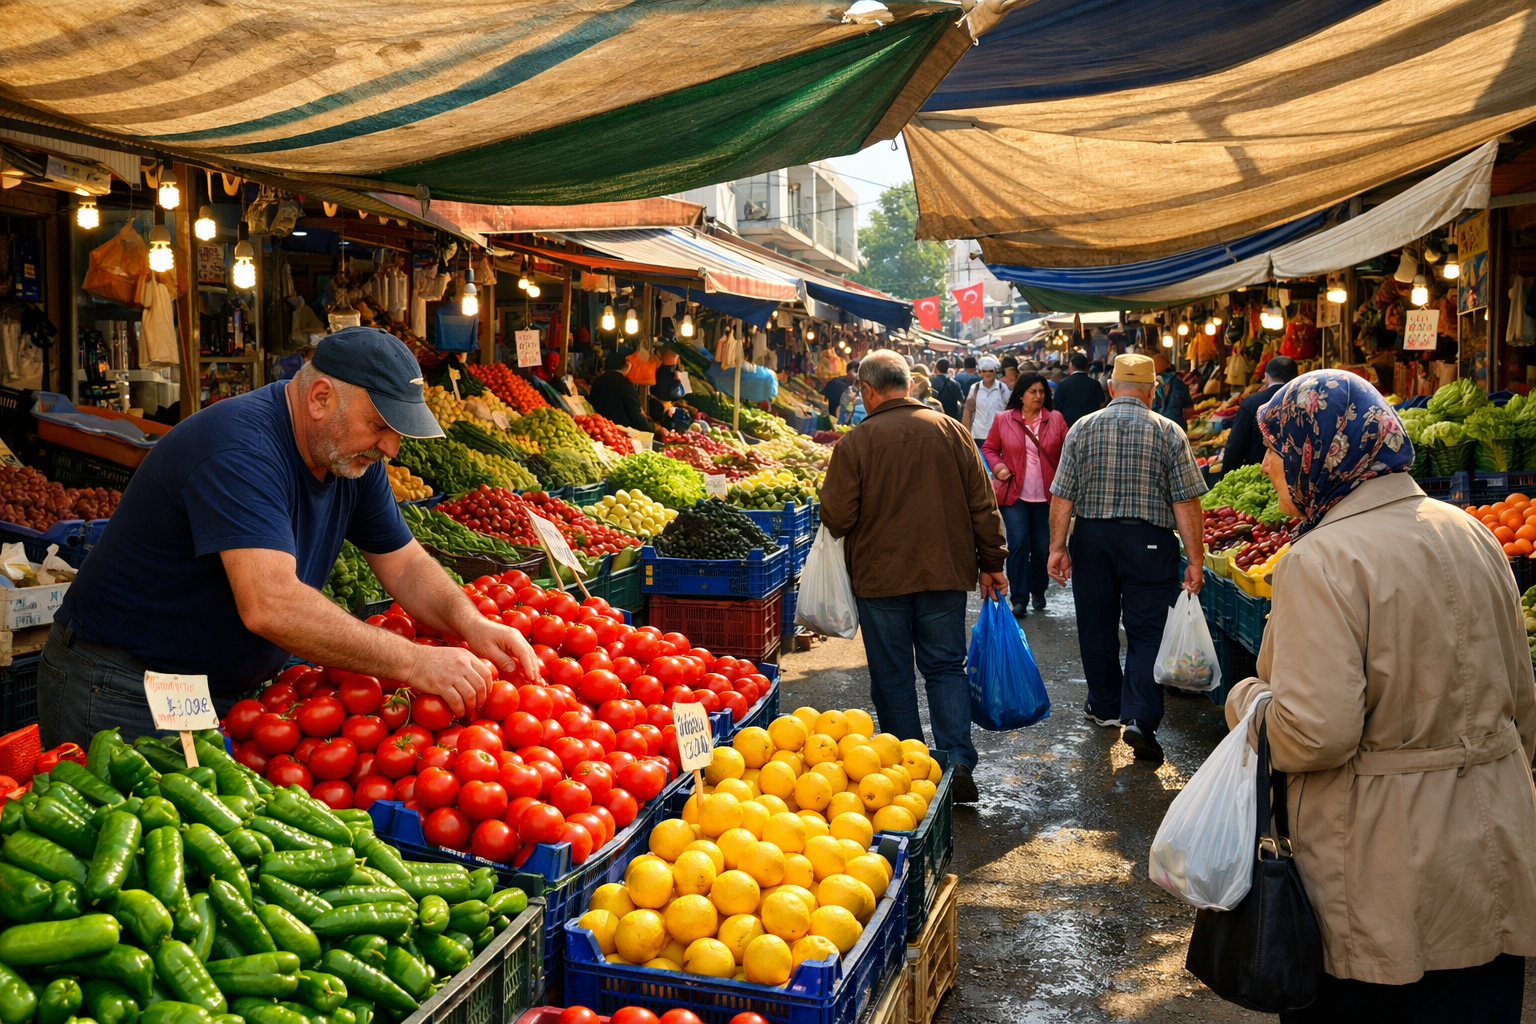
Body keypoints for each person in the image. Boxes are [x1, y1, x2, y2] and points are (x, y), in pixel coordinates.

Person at [40, 327, 541, 746]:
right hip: (122, 684)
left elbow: (405, 565)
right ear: (321, 397)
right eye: (379, 424)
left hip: (213, 690)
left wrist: (470, 624)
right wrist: (414, 661)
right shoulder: (239, 449)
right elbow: (270, 603)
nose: (390, 445)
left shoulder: (352, 462)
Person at [1223, 370, 1536, 1022]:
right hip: (1491, 858)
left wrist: (1248, 702)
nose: (1270, 464)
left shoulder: (1322, 558)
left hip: (1380, 878)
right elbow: (1523, 702)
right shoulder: (1471, 532)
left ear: (1324, 452)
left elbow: (1315, 733)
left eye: (1279, 448)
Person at [819, 351, 1007, 805]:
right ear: (907, 383)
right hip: (945, 571)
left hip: (881, 578)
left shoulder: (856, 443)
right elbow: (983, 504)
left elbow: (838, 518)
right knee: (945, 667)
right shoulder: (953, 432)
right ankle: (957, 760)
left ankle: (913, 771)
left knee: (893, 675)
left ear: (867, 390)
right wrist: (993, 562)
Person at [1047, 353, 1207, 764]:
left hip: (1093, 538)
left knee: (1096, 623)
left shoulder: (1082, 428)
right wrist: (1195, 559)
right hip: (1150, 543)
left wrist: (1057, 547)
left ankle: (1104, 706)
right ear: (1153, 392)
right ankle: (1140, 718)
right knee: (1147, 631)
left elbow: (1062, 495)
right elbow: (1186, 502)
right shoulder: (1169, 432)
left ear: (1111, 387)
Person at [983, 373, 1066, 616]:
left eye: (1042, 392)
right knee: (1019, 542)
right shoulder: (1004, 419)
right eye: (1033, 391)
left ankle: (1038, 589)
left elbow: (1068, 452)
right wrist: (997, 467)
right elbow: (989, 448)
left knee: (1042, 548)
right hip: (1014, 494)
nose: (1038, 396)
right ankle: (1019, 598)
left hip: (1047, 496)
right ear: (1021, 394)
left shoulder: (1056, 419)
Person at [1221, 355, 1298, 471]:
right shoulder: (1307, 401)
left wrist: (1226, 479)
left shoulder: (1251, 402)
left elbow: (1235, 447)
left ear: (1266, 377)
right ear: (1297, 377)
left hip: (1260, 475)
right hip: (1297, 476)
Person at [588, 349, 651, 431]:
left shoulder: (597, 381)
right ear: (627, 363)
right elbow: (636, 416)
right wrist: (651, 431)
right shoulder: (626, 385)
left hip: (598, 429)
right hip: (620, 433)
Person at [961, 356, 1009, 461]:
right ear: (980, 372)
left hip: (999, 436)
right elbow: (968, 409)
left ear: (996, 371)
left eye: (990, 371)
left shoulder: (1002, 388)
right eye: (984, 371)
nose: (987, 373)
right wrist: (966, 434)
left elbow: (1009, 410)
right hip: (978, 435)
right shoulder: (975, 388)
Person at [1053, 352, 1108, 427]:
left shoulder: (1063, 384)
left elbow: (1055, 405)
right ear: (1087, 367)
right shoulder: (1095, 384)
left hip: (1068, 425)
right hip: (1091, 424)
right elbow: (1102, 404)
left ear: (1071, 366)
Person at [1151, 353, 1192, 427]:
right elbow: (1189, 409)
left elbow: (1189, 408)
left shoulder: (1179, 385)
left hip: (1169, 427)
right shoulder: (1179, 384)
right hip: (1168, 427)